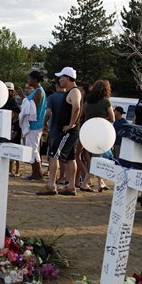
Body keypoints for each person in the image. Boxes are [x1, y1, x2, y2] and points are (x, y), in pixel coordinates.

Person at [38, 67, 81, 196]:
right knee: (70, 157)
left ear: (67, 78)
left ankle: (51, 185)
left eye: (61, 77)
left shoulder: (74, 91)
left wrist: (71, 124)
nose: (59, 80)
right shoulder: (71, 91)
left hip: (67, 131)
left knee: (53, 155)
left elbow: (77, 107)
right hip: (69, 131)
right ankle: (71, 186)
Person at [79, 80, 114, 192]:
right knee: (97, 160)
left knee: (95, 158)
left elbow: (81, 115)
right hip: (101, 132)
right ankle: (84, 183)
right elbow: (112, 118)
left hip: (88, 132)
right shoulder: (106, 102)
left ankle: (100, 183)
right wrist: (103, 120)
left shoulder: (88, 102)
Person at [22, 71, 47, 181]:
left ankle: (38, 174)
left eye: (29, 78)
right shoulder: (37, 91)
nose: (28, 81)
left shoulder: (38, 92)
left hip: (35, 125)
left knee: (33, 149)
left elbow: (32, 108)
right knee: (32, 149)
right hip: (34, 125)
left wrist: (23, 97)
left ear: (35, 79)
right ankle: (35, 173)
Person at [42, 79, 66, 185]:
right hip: (67, 130)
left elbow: (48, 112)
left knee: (53, 156)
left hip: (55, 130)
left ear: (56, 86)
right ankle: (61, 178)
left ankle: (52, 178)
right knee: (64, 156)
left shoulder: (52, 97)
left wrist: (44, 124)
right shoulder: (69, 96)